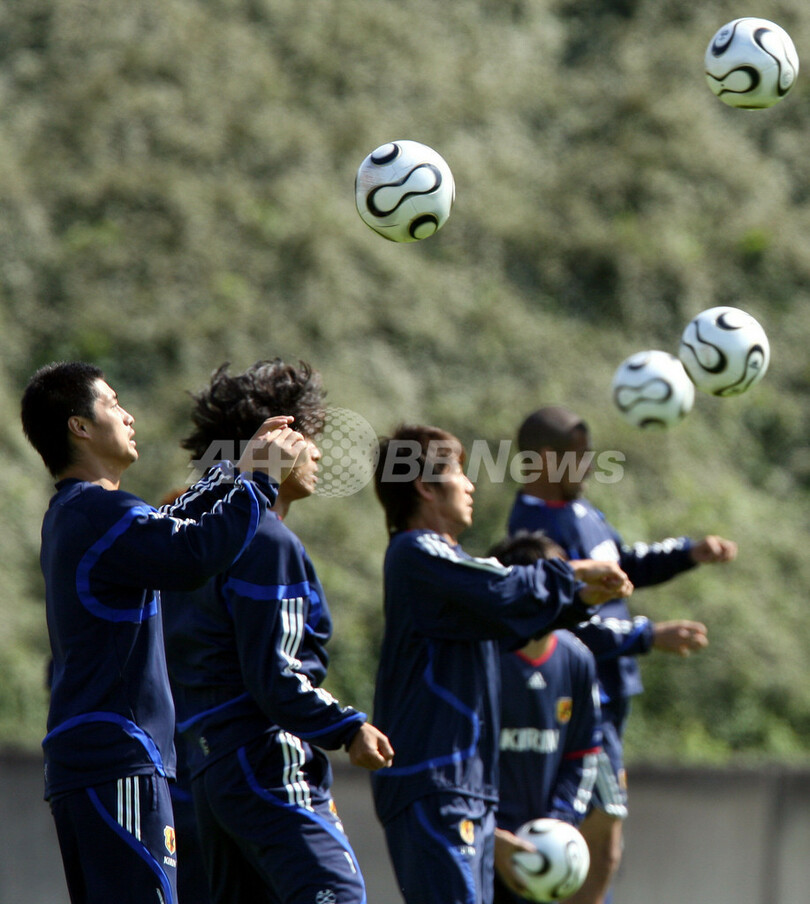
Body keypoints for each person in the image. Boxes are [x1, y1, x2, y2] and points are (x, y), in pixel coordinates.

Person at [20, 361, 304, 904]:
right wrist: (263, 481)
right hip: (119, 757)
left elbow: (172, 523)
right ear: (79, 426)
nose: (128, 416)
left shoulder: (83, 513)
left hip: (94, 759)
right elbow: (195, 554)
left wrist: (237, 473)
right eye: (113, 404)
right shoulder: (101, 511)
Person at [370, 423, 635, 904]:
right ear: (426, 487)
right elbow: (501, 589)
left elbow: (511, 616)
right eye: (458, 473)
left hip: (463, 787)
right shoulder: (416, 552)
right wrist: (571, 573)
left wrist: (574, 600)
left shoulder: (445, 562)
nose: (471, 486)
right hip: (434, 781)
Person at [160, 359, 394, 904]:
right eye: (309, 438)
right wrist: (348, 727)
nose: (317, 454)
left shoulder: (192, 541)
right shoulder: (266, 541)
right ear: (282, 439)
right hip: (265, 759)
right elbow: (276, 674)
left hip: (206, 770)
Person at [508, 405, 736, 904]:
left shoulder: (584, 514)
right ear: (546, 460)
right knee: (598, 838)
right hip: (578, 700)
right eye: (579, 457)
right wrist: (648, 636)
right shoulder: (532, 532)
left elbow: (623, 563)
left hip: (612, 693)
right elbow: (565, 624)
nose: (589, 466)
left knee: (595, 841)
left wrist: (687, 553)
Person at [487, 532, 601, 904]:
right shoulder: (480, 658)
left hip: (543, 850)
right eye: (557, 579)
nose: (568, 590)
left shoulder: (577, 659)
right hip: (482, 842)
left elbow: (583, 754)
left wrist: (559, 822)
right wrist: (491, 833)